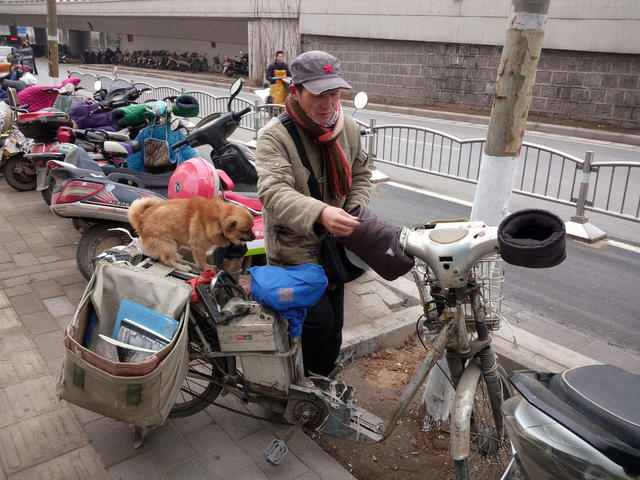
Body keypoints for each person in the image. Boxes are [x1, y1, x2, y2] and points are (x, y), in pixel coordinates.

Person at [255, 50, 372, 377]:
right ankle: (292, 383)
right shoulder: (275, 136)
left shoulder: (345, 126)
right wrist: (321, 212)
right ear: (295, 91)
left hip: (335, 248)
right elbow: (273, 193)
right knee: (314, 324)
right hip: (294, 252)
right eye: (319, 94)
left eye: (334, 94)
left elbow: (362, 172)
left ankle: (322, 381)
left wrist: (354, 209)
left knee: (334, 326)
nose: (328, 103)